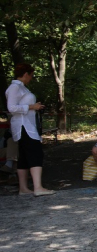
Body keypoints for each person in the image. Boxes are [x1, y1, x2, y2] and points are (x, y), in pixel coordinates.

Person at [5, 63, 54, 196]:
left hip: (27, 125)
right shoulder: (15, 87)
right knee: (35, 153)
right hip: (23, 126)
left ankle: (24, 188)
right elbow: (12, 108)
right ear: (26, 74)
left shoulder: (21, 88)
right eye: (31, 75)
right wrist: (32, 107)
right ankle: (38, 187)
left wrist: (34, 107)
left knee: (24, 157)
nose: (31, 78)